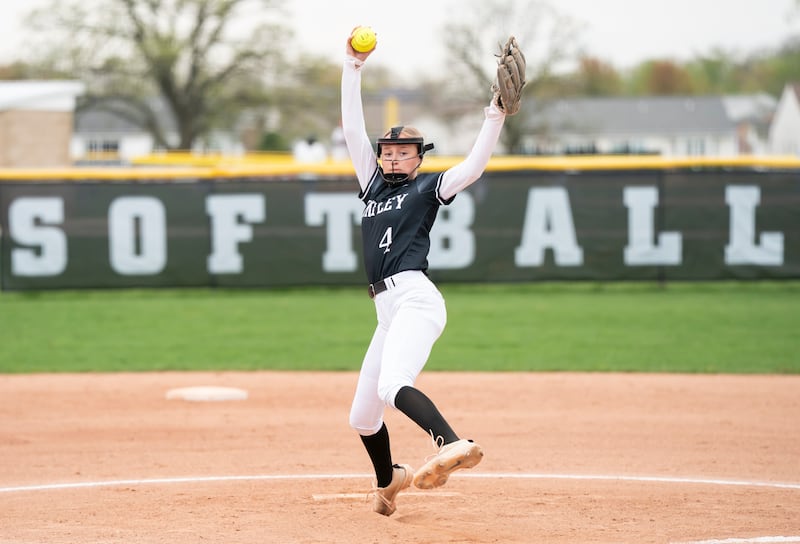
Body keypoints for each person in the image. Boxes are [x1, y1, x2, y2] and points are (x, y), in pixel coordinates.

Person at [341, 31, 511, 517]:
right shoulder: (371, 186)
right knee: (361, 416)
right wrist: (352, 67)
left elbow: (474, 167)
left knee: (394, 385)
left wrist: (494, 115)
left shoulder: (428, 188)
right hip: (386, 310)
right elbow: (353, 130)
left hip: (415, 297)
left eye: (403, 152)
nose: (393, 156)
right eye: (388, 151)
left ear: (419, 157)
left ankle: (452, 442)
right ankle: (389, 479)